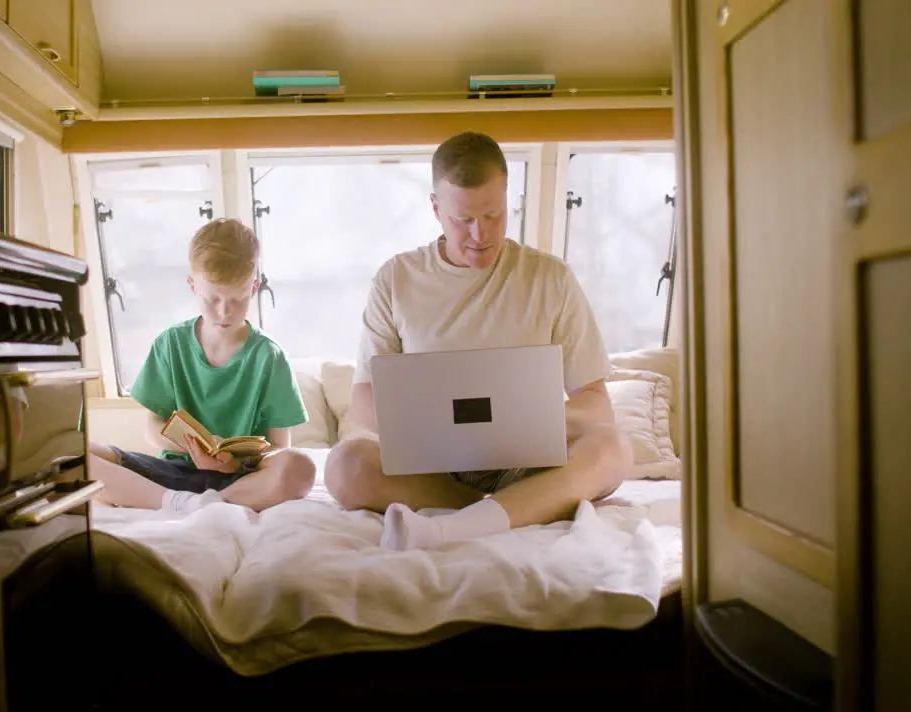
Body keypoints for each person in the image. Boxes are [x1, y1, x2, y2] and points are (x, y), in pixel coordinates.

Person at [323, 131, 633, 551]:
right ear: (436, 208)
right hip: (432, 471)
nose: (479, 234)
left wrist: (524, 423)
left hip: (528, 466)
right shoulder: (396, 279)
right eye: (462, 219)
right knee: (344, 466)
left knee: (613, 448)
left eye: (493, 215)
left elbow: (596, 405)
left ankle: (452, 527)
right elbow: (364, 401)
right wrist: (437, 432)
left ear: (508, 199)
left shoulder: (550, 278)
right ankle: (501, 511)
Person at [88, 218, 315, 514]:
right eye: (212, 298)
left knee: (300, 467)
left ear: (254, 287)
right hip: (175, 471)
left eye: (238, 298)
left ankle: (201, 503)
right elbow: (152, 427)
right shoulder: (170, 344)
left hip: (242, 479)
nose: (224, 311)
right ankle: (185, 503)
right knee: (74, 457)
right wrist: (194, 449)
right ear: (192, 285)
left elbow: (278, 447)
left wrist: (233, 462)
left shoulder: (269, 357)